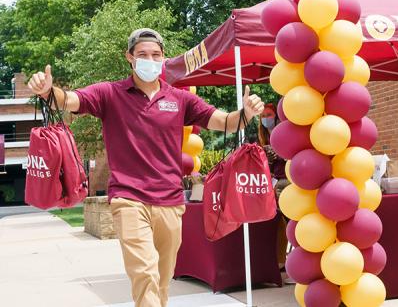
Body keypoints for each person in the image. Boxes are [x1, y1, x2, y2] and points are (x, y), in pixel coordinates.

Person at [27, 28, 265, 307]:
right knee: (144, 273)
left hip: (170, 202)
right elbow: (70, 100)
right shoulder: (110, 93)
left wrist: (245, 114)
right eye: (142, 54)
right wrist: (48, 92)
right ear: (129, 57)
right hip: (129, 199)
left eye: (155, 54)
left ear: (163, 57)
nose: (149, 59)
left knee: (161, 281)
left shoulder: (180, 99)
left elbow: (222, 120)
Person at [257, 103, 291, 277]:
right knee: (277, 224)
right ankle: (279, 262)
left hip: (287, 182)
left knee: (289, 221)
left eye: (268, 115)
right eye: (262, 116)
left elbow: (293, 154)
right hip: (272, 183)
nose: (265, 119)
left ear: (276, 117)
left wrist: (279, 153)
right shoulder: (263, 137)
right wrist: (267, 158)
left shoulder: (284, 134)